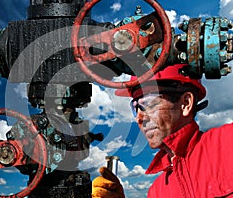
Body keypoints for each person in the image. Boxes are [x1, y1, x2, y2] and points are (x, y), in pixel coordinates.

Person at [91, 64, 233, 198]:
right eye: (135, 108)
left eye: (148, 103)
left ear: (186, 103)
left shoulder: (228, 142)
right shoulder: (157, 191)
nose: (139, 118)